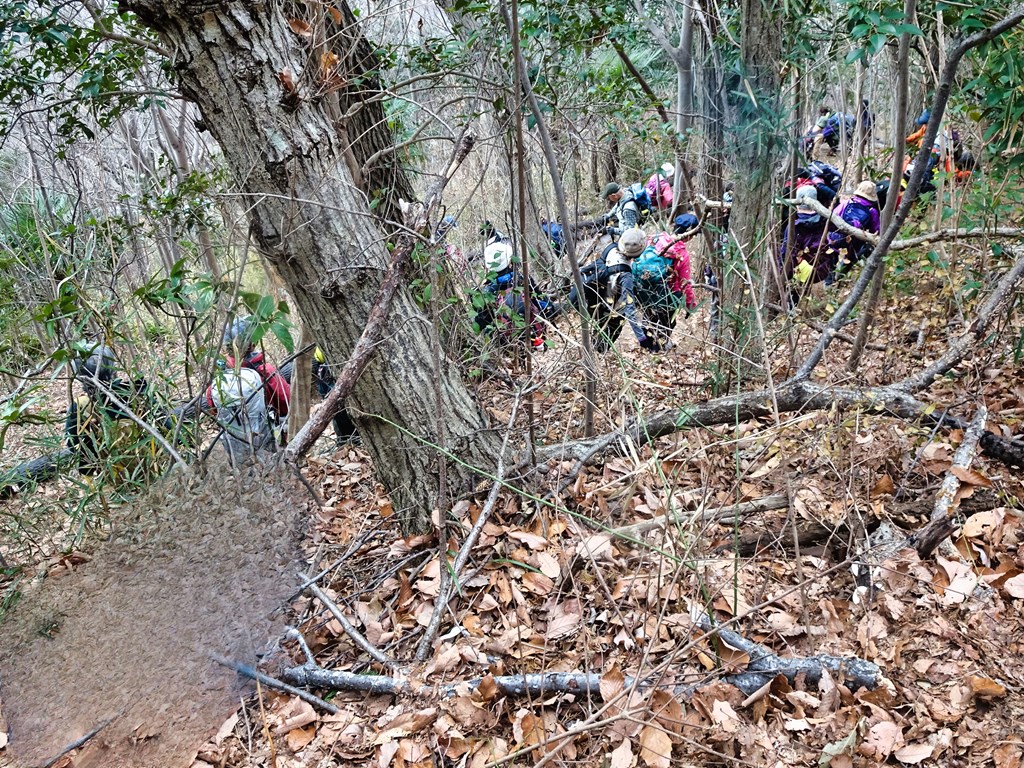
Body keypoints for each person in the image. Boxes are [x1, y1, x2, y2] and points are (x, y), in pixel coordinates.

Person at [64, 343, 157, 479]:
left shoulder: (80, 407)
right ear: (112, 365)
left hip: (115, 480)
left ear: (79, 375)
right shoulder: (138, 391)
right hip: (156, 470)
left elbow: (77, 452)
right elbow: (167, 427)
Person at [568, 228, 657, 352]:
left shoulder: (611, 247)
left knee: (598, 326)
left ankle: (591, 348)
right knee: (612, 327)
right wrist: (642, 338)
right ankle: (598, 353)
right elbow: (630, 309)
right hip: (608, 306)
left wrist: (613, 229)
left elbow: (622, 234)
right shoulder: (626, 276)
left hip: (590, 297)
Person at [206, 316, 290, 439]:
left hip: (234, 437)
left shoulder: (221, 373)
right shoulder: (264, 370)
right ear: (252, 343)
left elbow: (212, 403)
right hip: (265, 433)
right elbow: (285, 399)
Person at [636, 214, 700, 351]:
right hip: (667, 294)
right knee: (668, 322)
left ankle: (647, 343)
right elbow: (684, 283)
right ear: (689, 235)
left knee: (649, 315)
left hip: (645, 288)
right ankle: (658, 347)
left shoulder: (656, 238)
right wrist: (690, 305)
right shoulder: (681, 254)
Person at [209, 360, 275, 464]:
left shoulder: (215, 385)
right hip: (259, 434)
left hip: (232, 440)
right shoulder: (255, 374)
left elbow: (213, 410)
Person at [779, 186, 830, 304]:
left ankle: (791, 306)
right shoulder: (825, 221)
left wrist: (781, 267)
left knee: (792, 288)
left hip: (797, 269)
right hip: (819, 268)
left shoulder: (794, 226)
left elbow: (786, 252)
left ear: (797, 204)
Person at [824, 180, 881, 283]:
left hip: (835, 239)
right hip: (852, 244)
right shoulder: (872, 210)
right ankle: (839, 279)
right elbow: (876, 230)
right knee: (848, 262)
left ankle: (828, 282)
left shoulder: (847, 202)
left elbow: (833, 216)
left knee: (832, 263)